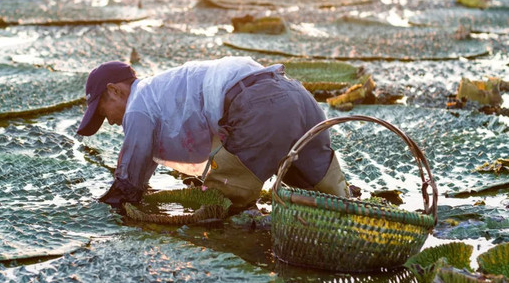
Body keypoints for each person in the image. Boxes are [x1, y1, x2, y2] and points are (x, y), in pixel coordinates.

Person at [77, 57, 349, 209]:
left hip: (260, 108)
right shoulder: (159, 91)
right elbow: (144, 158)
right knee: (334, 203)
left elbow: (129, 181)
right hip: (297, 96)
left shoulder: (138, 105)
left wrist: (105, 209)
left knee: (221, 206)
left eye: (103, 112)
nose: (109, 122)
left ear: (114, 90)